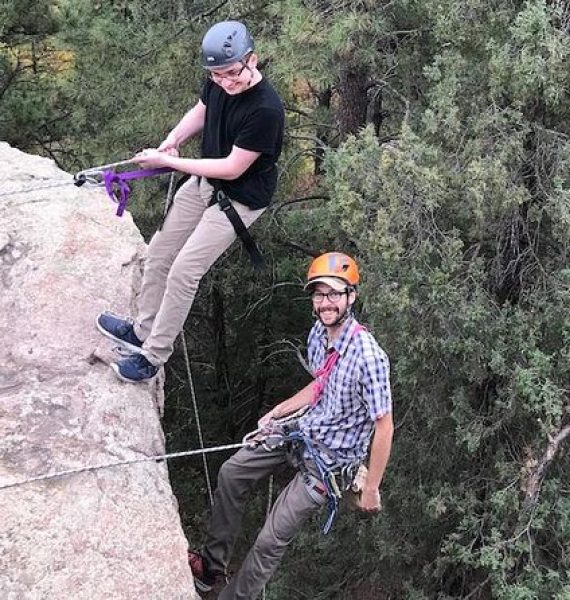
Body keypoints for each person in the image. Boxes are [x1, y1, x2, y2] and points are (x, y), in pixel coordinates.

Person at [188, 252, 393, 599]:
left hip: (330, 462)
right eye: (319, 294)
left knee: (270, 539)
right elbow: (319, 385)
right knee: (232, 472)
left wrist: (372, 486)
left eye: (334, 294)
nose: (325, 302)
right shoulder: (318, 333)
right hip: (303, 432)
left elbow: (384, 426)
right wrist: (280, 411)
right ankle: (211, 566)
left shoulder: (369, 357)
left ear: (351, 297)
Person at [95, 20, 285, 383]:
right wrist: (172, 139)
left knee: (184, 271)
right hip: (203, 183)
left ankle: (152, 358)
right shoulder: (217, 82)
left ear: (252, 61)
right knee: (159, 253)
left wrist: (168, 162)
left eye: (232, 73)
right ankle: (140, 331)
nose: (225, 82)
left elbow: (232, 167)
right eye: (217, 75)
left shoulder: (266, 110)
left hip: (240, 198)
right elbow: (201, 110)